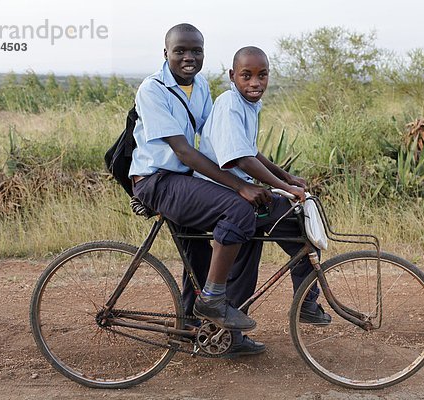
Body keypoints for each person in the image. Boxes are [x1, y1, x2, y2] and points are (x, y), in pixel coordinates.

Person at [129, 25, 302, 340]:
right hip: (158, 180)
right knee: (238, 209)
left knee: (208, 254)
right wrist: (241, 186)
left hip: (185, 180)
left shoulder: (201, 87)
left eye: (196, 51)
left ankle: (217, 336)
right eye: (180, 51)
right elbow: (184, 151)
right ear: (165, 53)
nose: (189, 58)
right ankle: (211, 301)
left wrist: (284, 177)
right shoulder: (152, 89)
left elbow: (223, 142)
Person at [195, 46, 332, 339]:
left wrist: (285, 175)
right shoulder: (230, 104)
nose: (255, 83)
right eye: (247, 76)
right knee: (299, 228)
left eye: (262, 75)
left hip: (238, 193)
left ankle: (228, 337)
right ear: (233, 76)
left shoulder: (247, 104)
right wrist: (285, 188)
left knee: (245, 262)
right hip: (221, 194)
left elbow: (251, 151)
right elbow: (242, 160)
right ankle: (307, 303)